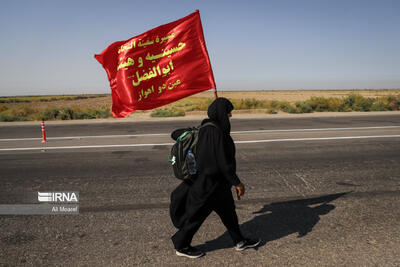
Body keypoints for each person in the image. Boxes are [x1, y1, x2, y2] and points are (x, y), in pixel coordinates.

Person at [169, 97, 261, 258]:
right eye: (228, 112)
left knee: (229, 213)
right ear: (221, 113)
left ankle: (239, 241)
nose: (230, 115)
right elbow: (222, 163)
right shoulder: (214, 131)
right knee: (197, 216)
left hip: (219, 185)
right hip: (209, 184)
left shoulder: (208, 127)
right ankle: (181, 245)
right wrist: (237, 183)